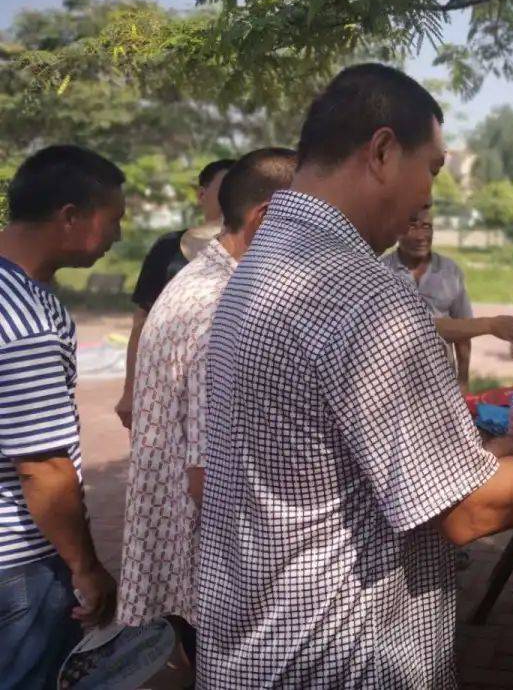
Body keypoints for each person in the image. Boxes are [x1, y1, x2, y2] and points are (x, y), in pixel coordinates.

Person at [196, 63, 513, 687]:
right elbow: (468, 513)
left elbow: (327, 470)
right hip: (339, 659)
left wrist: (492, 452)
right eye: (431, 172)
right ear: (383, 152)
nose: (426, 201)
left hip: (259, 644)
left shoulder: (259, 267)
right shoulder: (363, 292)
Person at [116, 148, 297, 665]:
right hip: (205, 562)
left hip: (178, 553)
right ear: (264, 217)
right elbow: (206, 476)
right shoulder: (222, 302)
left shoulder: (197, 281)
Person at [0, 145, 125, 687]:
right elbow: (43, 467)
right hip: (20, 562)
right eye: (113, 220)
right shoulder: (25, 318)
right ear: (70, 216)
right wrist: (84, 566)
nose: (118, 237)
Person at [114, 158, 235, 429]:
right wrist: (130, 389)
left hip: (230, 388)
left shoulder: (260, 250)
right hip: (168, 384)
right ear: (201, 194)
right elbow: (141, 321)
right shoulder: (168, 248)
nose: (232, 196)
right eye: (226, 186)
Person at [383, 206, 513, 389]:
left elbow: (463, 329)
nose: (421, 235)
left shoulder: (450, 271)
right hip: (394, 384)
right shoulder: (381, 273)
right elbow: (411, 329)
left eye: (427, 227)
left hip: (442, 380)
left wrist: (462, 380)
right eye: (412, 227)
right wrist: (491, 325)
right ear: (397, 231)